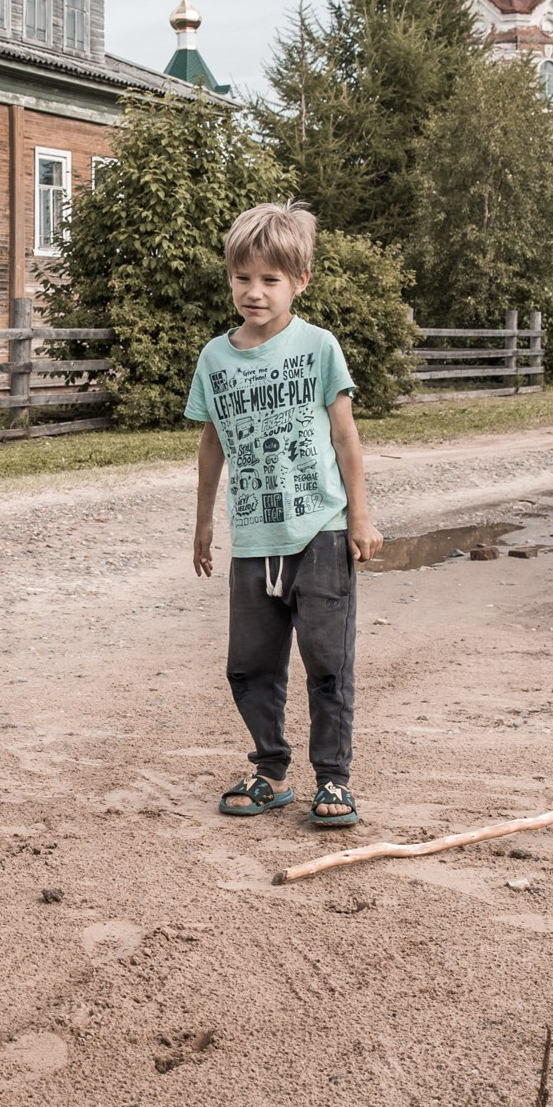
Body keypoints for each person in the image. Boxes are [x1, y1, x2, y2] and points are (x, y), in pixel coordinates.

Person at [186, 202, 383, 827]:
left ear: (299, 281)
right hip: (254, 540)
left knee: (328, 662)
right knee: (249, 666)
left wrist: (360, 517)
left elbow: (346, 438)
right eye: (243, 277)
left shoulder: (319, 347)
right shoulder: (215, 360)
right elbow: (211, 440)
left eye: (270, 279)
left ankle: (334, 781)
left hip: (320, 534)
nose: (254, 291)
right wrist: (204, 521)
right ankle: (270, 770)